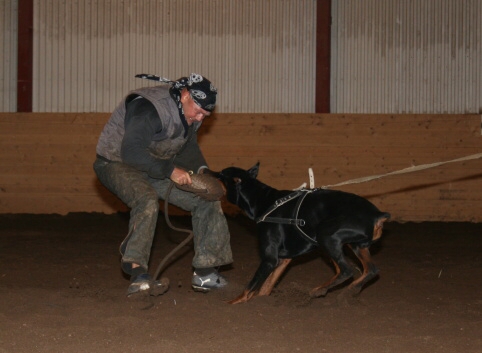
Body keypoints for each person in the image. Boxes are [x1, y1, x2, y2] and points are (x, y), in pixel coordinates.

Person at [93, 73, 233, 298]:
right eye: (198, 111)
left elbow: (188, 148)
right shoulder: (150, 109)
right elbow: (131, 152)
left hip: (154, 166)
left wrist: (203, 172)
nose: (199, 118)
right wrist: (170, 171)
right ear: (185, 95)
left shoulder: (191, 116)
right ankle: (138, 274)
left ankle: (205, 272)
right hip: (116, 162)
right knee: (146, 199)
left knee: (206, 199)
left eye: (205, 115)